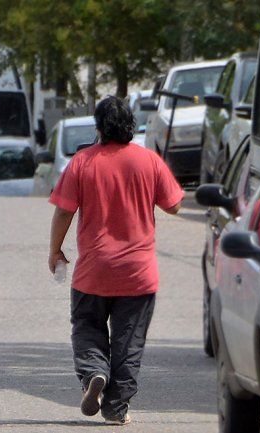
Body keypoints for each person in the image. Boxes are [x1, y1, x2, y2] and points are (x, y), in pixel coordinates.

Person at [48, 96, 183, 425]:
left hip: (93, 271)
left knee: (87, 328)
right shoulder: (148, 161)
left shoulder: (82, 163)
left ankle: (95, 371)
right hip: (137, 274)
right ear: (132, 126)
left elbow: (64, 210)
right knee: (129, 342)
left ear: (98, 127)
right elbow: (175, 205)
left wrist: (55, 250)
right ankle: (116, 408)